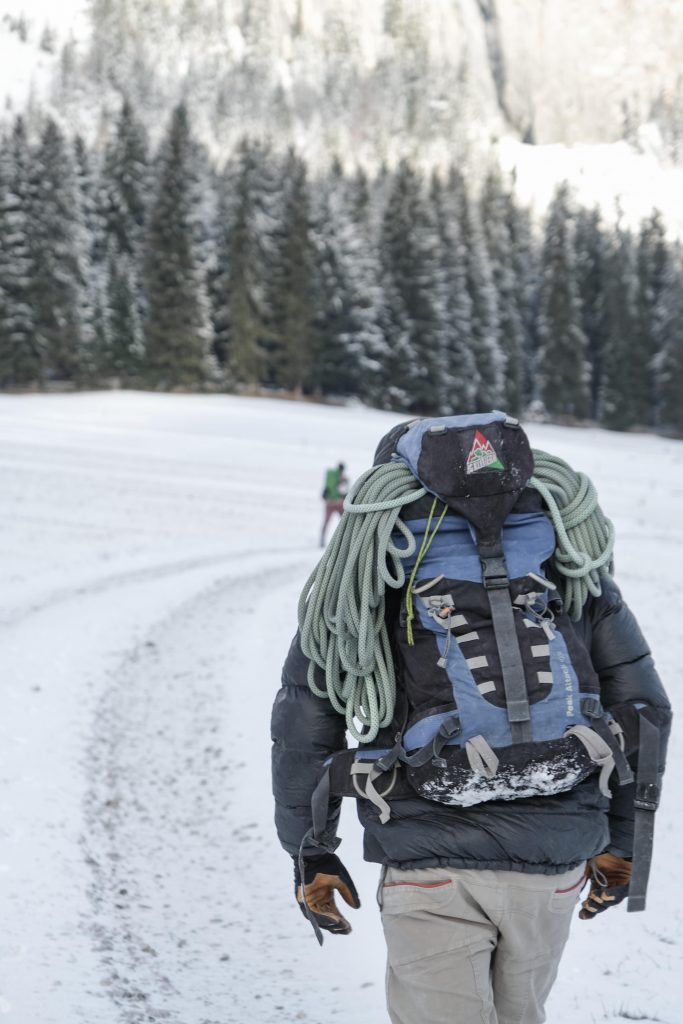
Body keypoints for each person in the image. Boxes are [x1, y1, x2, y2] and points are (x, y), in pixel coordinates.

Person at [272, 414, 671, 1024]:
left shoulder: (369, 571)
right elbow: (644, 708)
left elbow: (306, 719)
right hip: (554, 857)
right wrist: (623, 843)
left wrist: (312, 851)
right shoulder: (567, 561)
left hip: (427, 856)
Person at [320, 461, 348, 546]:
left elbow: (327, 488)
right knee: (344, 523)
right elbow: (344, 491)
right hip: (339, 503)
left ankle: (322, 539)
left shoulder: (330, 475)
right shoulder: (343, 478)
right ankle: (345, 541)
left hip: (329, 503)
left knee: (326, 522)